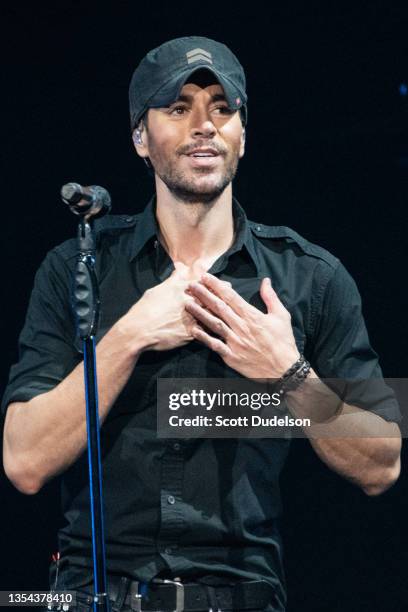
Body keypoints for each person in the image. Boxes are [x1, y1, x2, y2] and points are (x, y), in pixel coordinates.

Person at [2, 36, 402, 612]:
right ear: (141, 137)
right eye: (178, 107)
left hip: (245, 596)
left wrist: (289, 374)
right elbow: (23, 462)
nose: (204, 124)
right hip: (97, 595)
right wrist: (130, 334)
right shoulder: (78, 269)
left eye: (222, 107)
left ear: (243, 131)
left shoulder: (310, 279)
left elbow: (383, 463)